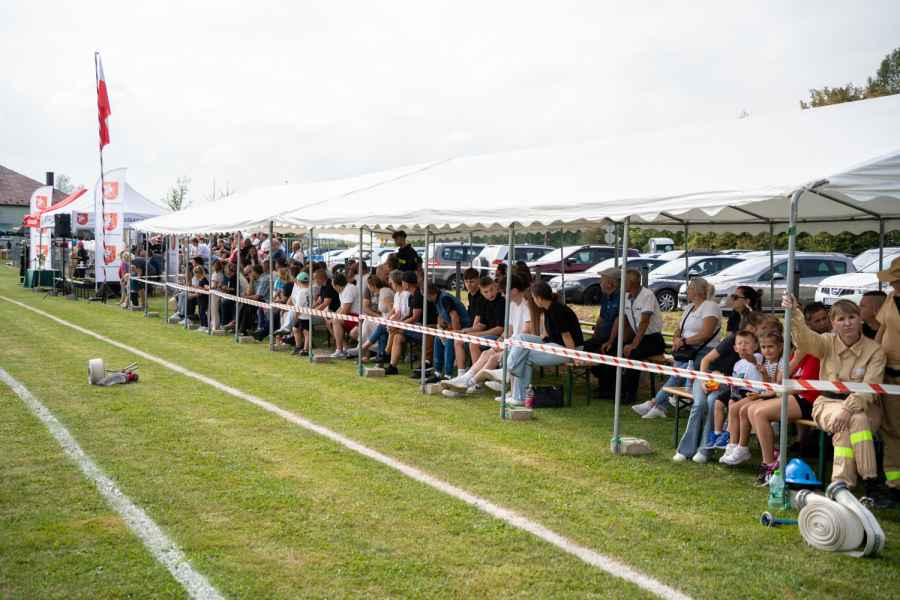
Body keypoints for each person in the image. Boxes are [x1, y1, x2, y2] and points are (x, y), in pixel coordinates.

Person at [783, 293, 894, 508]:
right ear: (833, 323)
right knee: (856, 421)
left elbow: (869, 390)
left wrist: (847, 409)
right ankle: (871, 484)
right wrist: (794, 312)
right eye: (841, 319)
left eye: (852, 317)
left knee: (854, 421)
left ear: (860, 319)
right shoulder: (826, 342)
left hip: (864, 407)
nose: (847, 323)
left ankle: (841, 485)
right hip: (828, 403)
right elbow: (804, 340)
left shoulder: (875, 350)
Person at [674, 311, 769, 463]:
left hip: (727, 384)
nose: (764, 331)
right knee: (699, 404)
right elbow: (706, 360)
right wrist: (704, 379)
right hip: (708, 376)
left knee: (713, 402)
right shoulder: (732, 340)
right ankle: (685, 450)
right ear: (752, 327)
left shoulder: (758, 347)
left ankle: (705, 450)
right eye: (761, 327)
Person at [633, 277, 722, 419]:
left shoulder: (710, 306)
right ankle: (660, 407)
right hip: (686, 351)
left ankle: (654, 403)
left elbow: (706, 334)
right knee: (676, 374)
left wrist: (684, 341)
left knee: (677, 374)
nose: (687, 291)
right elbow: (679, 329)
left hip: (704, 352)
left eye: (689, 288)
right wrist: (676, 339)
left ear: (697, 291)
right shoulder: (689, 308)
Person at [441, 274, 531, 396]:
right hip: (511, 342)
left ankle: (468, 383)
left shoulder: (525, 306)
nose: (502, 295)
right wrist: (500, 340)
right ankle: (465, 380)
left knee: (491, 356)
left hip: (519, 345)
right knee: (486, 354)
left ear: (514, 291)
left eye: (504, 292)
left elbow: (524, 332)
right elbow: (509, 329)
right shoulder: (512, 305)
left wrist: (503, 341)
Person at [502, 281, 583, 406]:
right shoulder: (548, 309)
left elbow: (566, 336)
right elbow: (546, 335)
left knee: (525, 355)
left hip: (567, 348)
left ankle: (515, 388)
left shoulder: (558, 311)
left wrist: (575, 355)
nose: (533, 301)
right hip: (553, 343)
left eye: (533, 298)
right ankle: (511, 374)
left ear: (539, 298)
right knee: (520, 338)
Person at [603, 269, 666, 404]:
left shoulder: (647, 295)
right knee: (612, 350)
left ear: (632, 282)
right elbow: (621, 319)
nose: (621, 284)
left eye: (624, 281)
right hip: (639, 337)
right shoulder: (626, 296)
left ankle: (629, 394)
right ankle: (610, 389)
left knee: (633, 354)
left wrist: (634, 344)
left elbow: (644, 322)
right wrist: (611, 341)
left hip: (653, 339)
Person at [720, 330, 781, 469]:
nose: (743, 346)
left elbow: (754, 361)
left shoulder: (758, 357)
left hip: (759, 393)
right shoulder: (740, 363)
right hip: (754, 393)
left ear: (755, 346)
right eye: (740, 344)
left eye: (746, 343)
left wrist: (748, 356)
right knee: (732, 406)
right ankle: (733, 445)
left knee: (738, 409)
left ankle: (740, 447)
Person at [875, 257, 900, 501]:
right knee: (891, 429)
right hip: (889, 376)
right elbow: (881, 330)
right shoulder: (891, 299)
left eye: (896, 280)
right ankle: (894, 483)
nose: (893, 284)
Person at [582, 269, 622, 399]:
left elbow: (619, 321)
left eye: (602, 280)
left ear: (610, 284)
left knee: (604, 354)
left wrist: (610, 341)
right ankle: (603, 385)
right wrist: (595, 335)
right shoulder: (606, 296)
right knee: (585, 348)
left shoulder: (621, 298)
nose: (600, 283)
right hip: (602, 336)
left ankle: (607, 389)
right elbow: (601, 317)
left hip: (615, 338)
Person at [425, 284, 471, 383]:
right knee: (437, 338)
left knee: (450, 341)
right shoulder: (437, 299)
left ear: (429, 294)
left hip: (464, 328)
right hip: (451, 327)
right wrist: (441, 328)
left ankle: (448, 375)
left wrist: (454, 334)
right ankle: (437, 373)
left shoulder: (445, 298)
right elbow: (441, 315)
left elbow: (455, 316)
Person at [384, 271, 424, 375]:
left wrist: (400, 324)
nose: (402, 284)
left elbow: (415, 317)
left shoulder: (417, 296)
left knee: (394, 330)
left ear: (406, 283)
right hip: (413, 326)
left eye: (402, 282)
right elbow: (409, 315)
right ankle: (392, 366)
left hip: (422, 328)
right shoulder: (412, 295)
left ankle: (386, 353)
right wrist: (400, 323)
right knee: (397, 336)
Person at [461, 277, 506, 364]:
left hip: (500, 337)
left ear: (496, 286)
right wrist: (464, 331)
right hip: (488, 334)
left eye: (491, 289)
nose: (490, 294)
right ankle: (462, 369)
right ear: (481, 292)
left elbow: (500, 329)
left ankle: (475, 371)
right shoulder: (485, 302)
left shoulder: (502, 302)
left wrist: (477, 334)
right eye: (486, 292)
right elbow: (482, 324)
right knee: (459, 339)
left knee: (474, 343)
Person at [328, 273, 359, 358]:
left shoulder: (349, 289)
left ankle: (339, 350)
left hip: (357, 317)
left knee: (335, 321)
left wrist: (334, 318)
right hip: (351, 316)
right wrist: (333, 316)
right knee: (331, 320)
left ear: (338, 285)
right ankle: (345, 347)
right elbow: (341, 307)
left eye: (333, 285)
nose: (333, 287)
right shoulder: (343, 290)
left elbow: (346, 309)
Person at [289, 272, 312, 356]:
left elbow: (298, 308)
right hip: (306, 315)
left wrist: (295, 317)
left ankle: (305, 350)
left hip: (303, 316)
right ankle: (298, 347)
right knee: (296, 329)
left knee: (306, 332)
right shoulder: (309, 290)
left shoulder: (301, 292)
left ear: (298, 281)